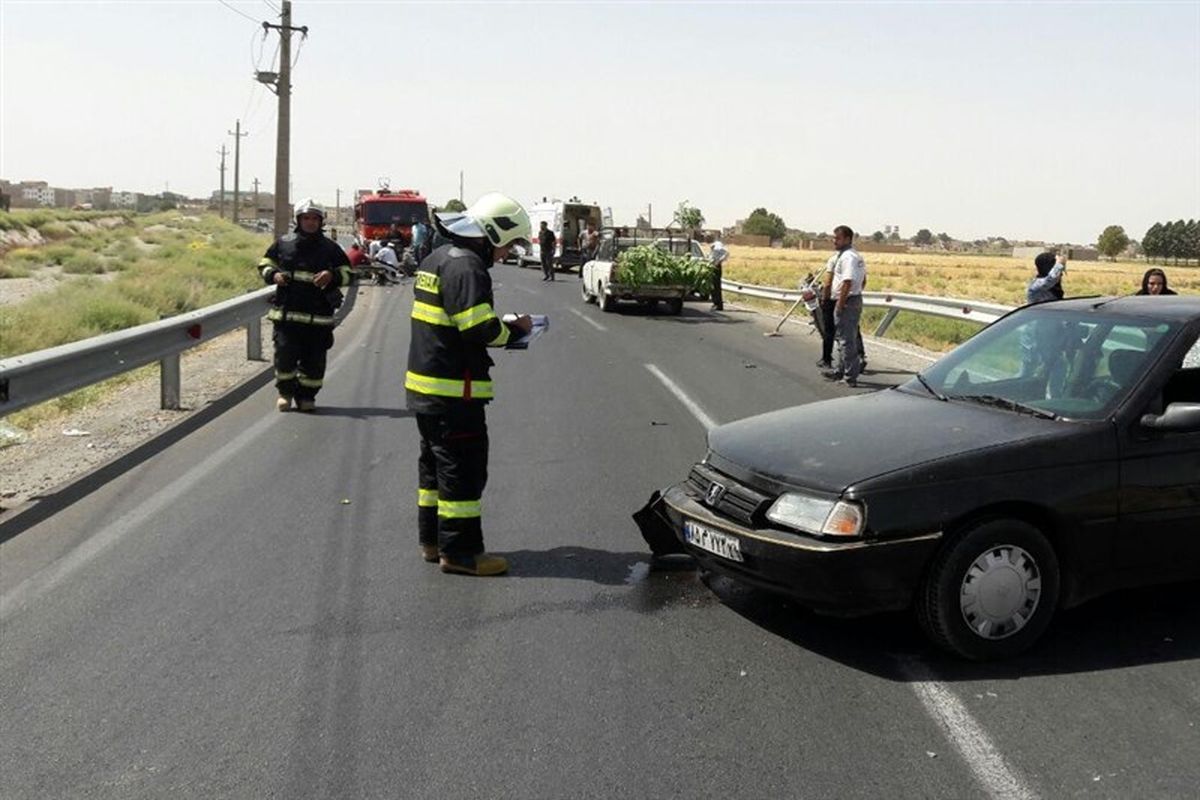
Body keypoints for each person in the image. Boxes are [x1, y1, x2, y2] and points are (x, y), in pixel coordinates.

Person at [407, 192, 534, 576]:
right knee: (462, 475)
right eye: (509, 244)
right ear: (492, 234)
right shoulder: (468, 269)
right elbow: (478, 326)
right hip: (454, 393)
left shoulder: (437, 259)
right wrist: (515, 331)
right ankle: (461, 554)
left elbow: (452, 319)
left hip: (427, 389)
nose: (508, 253)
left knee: (433, 473)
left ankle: (433, 542)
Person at [258, 199, 353, 413]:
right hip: (287, 316)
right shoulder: (283, 243)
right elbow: (265, 264)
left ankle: (306, 397)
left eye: (314, 219)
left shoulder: (330, 248)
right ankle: (285, 393)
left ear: (321, 222)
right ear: (298, 220)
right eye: (306, 218)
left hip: (319, 319)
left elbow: (349, 273)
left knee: (314, 363)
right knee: (285, 358)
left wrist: (332, 275)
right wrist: (274, 275)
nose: (310, 222)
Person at [822, 225, 867, 387]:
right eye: (834, 238)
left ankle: (850, 376)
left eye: (838, 238)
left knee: (847, 340)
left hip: (847, 301)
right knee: (843, 338)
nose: (834, 241)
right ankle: (841, 370)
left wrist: (840, 304)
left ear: (847, 239)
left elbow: (847, 282)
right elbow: (863, 281)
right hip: (852, 299)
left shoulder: (848, 257)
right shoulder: (853, 256)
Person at [709, 238, 728, 311]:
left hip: (716, 268)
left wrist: (718, 262)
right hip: (713, 267)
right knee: (713, 286)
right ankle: (715, 303)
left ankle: (718, 304)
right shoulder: (713, 250)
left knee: (716, 286)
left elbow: (726, 253)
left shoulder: (718, 248)